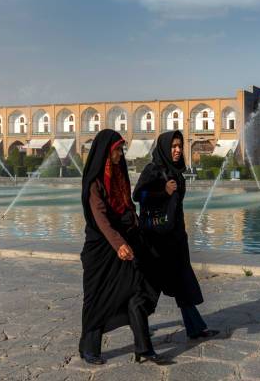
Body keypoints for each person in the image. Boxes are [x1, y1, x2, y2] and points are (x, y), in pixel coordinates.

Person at [79, 129, 166, 365]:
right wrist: (118, 244)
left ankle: (143, 348)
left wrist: (134, 225)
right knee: (97, 298)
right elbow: (101, 219)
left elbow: (126, 204)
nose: (120, 154)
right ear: (106, 152)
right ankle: (89, 348)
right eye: (117, 150)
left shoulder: (119, 175)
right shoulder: (95, 184)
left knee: (136, 292)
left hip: (126, 243)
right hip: (101, 250)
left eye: (121, 149)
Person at [133, 130, 219, 340]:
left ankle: (195, 328)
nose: (178, 150)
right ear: (164, 147)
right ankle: (136, 323)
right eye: (173, 146)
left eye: (179, 146)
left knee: (182, 283)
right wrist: (163, 191)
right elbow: (138, 195)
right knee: (151, 289)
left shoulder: (177, 172)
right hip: (157, 240)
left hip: (175, 238)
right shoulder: (153, 170)